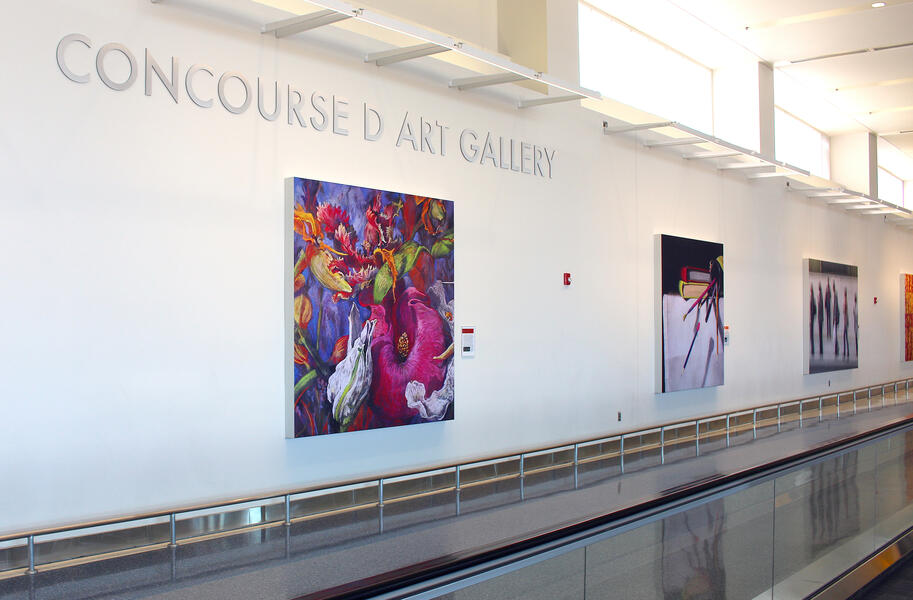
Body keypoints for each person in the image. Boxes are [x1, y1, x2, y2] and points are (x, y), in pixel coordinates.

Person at [817, 283, 824, 356]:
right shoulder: (820, 296)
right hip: (820, 318)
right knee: (820, 335)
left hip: (820, 318)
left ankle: (821, 349)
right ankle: (820, 349)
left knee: (820, 335)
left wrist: (820, 318)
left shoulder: (820, 297)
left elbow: (820, 309)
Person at [810, 285, 817, 355]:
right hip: (812, 318)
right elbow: (815, 310)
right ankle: (812, 349)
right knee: (811, 335)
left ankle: (812, 350)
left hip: (811, 319)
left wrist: (812, 317)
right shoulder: (813, 299)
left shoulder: (812, 299)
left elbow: (814, 310)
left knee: (811, 335)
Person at [833, 281, 840, 356]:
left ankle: (836, 348)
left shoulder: (835, 297)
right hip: (836, 319)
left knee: (835, 335)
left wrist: (835, 319)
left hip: (836, 319)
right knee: (835, 335)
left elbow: (835, 309)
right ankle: (836, 348)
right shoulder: (835, 297)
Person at [843, 289, 849, 358]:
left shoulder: (845, 301)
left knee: (845, 338)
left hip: (845, 324)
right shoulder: (845, 300)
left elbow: (845, 310)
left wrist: (846, 324)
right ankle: (846, 351)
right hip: (846, 323)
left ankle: (846, 351)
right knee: (845, 338)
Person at [854, 293, 858, 358]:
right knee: (856, 339)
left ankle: (857, 351)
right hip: (855, 325)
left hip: (857, 325)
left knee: (857, 339)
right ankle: (857, 351)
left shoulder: (856, 307)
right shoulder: (855, 306)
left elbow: (856, 316)